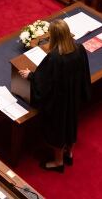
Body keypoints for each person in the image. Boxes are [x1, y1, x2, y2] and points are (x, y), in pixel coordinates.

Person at [18, 19, 91, 172]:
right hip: (73, 96)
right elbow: (85, 72)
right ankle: (69, 153)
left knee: (57, 129)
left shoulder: (55, 57)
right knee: (71, 124)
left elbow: (44, 81)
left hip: (59, 101)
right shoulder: (79, 48)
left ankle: (58, 162)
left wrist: (30, 75)